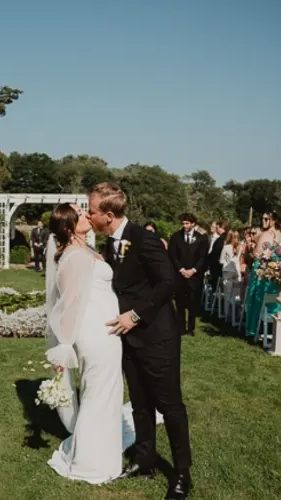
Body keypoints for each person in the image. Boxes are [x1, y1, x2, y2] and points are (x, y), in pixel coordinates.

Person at [86, 182, 192, 500]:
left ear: (107, 214)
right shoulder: (108, 245)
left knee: (169, 406)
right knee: (140, 406)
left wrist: (134, 315)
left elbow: (168, 282)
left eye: (91, 212)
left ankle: (182, 473)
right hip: (129, 343)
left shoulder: (145, 240)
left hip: (157, 338)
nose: (88, 216)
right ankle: (144, 461)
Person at [44, 203, 124, 484]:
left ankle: (100, 453)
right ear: (68, 226)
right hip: (95, 333)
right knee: (97, 394)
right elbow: (68, 305)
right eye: (81, 212)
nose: (87, 214)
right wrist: (63, 349)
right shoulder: (74, 257)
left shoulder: (86, 250)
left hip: (107, 329)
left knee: (104, 392)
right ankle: (89, 463)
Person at [168, 213, 209, 336]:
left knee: (193, 302)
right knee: (180, 303)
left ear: (193, 224)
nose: (184, 225)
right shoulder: (176, 237)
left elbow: (203, 257)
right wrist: (181, 269)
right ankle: (180, 327)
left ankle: (191, 328)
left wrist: (193, 270)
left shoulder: (201, 238)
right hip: (180, 275)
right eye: (183, 223)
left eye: (187, 223)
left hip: (195, 276)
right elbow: (172, 255)